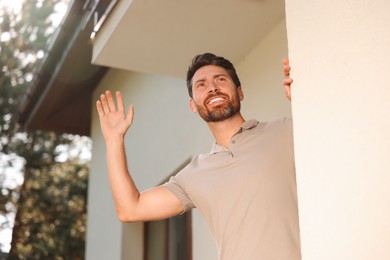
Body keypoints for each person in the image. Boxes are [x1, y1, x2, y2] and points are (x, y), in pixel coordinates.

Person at [96, 53, 300, 260]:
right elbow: (130, 209)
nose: (212, 88)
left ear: (240, 92)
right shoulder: (193, 175)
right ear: (193, 105)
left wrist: (306, 105)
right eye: (201, 85)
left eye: (220, 79)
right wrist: (114, 140)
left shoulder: (284, 130)